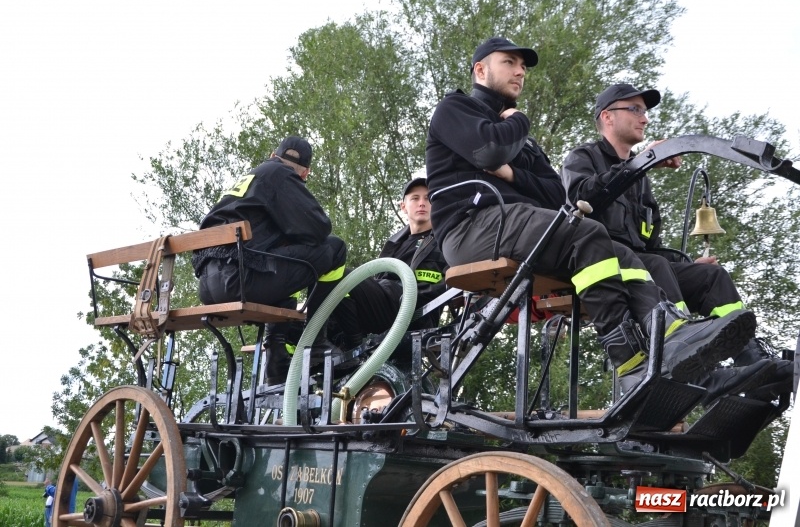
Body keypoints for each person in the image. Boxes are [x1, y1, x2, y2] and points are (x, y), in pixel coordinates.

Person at [425, 37, 757, 397]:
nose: (520, 71)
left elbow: (553, 193)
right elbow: (490, 149)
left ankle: (675, 348)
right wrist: (519, 120)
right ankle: (630, 355)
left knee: (621, 253)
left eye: (522, 66)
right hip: (469, 229)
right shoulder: (455, 108)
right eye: (509, 62)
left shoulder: (525, 143)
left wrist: (512, 175)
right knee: (586, 233)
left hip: (513, 224)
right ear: (480, 70)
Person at [561, 83, 791, 402]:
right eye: (636, 109)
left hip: (642, 267)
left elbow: (651, 247)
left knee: (711, 278)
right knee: (654, 264)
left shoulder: (641, 184)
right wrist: (639, 163)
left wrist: (686, 268)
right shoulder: (582, 157)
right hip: (601, 264)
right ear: (608, 117)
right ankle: (690, 362)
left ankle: (755, 367)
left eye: (646, 111)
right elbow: (582, 199)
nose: (645, 118)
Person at [192, 136, 348, 385]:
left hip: (209, 287)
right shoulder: (280, 174)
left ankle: (276, 364)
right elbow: (319, 228)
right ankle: (317, 341)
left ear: (273, 154)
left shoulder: (249, 180)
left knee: (285, 282)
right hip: (240, 280)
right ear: (305, 174)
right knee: (335, 248)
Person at [325, 177, 450, 349]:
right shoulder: (394, 244)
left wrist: (411, 296)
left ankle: (354, 346)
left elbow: (452, 284)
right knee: (320, 298)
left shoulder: (446, 241)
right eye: (415, 198)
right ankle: (330, 346)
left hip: (410, 310)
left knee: (341, 275)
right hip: (382, 303)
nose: (422, 203)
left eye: (428, 198)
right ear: (403, 207)